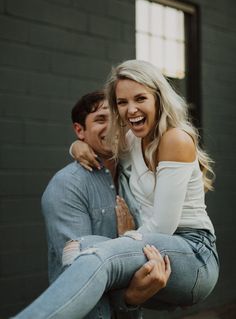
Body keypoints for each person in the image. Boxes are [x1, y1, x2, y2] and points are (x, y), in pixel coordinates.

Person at [13, 60, 219, 319]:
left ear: (158, 98)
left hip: (192, 252)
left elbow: (163, 226)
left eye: (140, 98)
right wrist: (77, 147)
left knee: (97, 255)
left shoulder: (174, 139)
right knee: (78, 247)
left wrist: (129, 237)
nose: (131, 109)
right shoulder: (134, 139)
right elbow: (103, 144)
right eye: (122, 102)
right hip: (154, 250)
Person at [40, 91, 171, 319]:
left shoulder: (133, 177)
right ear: (79, 130)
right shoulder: (67, 186)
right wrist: (127, 242)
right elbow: (77, 273)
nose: (112, 127)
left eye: (116, 119)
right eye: (101, 119)